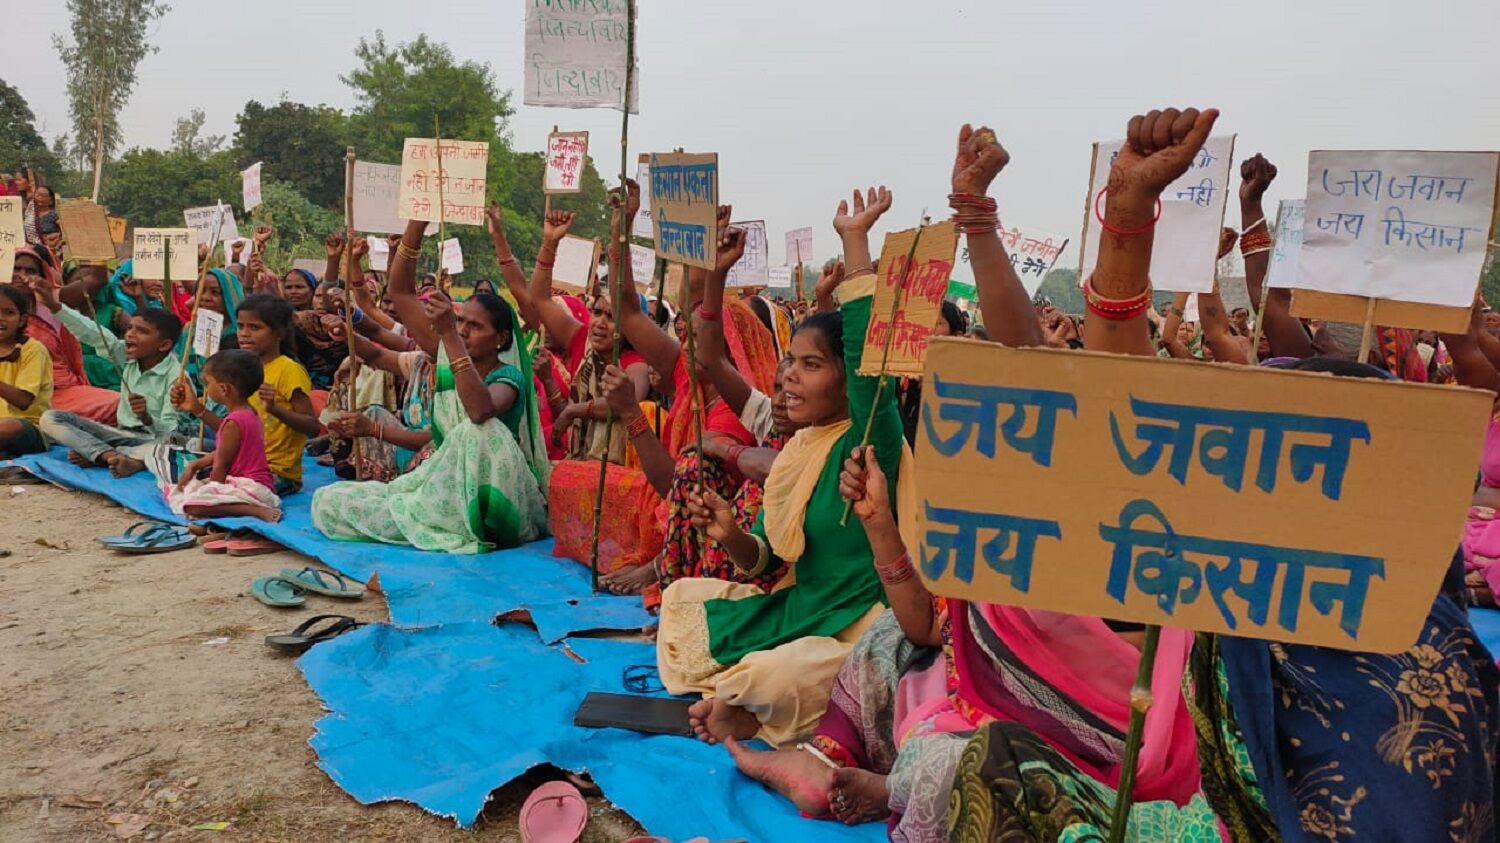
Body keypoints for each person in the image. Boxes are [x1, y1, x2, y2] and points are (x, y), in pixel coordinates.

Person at [656, 185, 911, 749]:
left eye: (811, 365)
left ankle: (752, 711)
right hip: (803, 603)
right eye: (790, 360)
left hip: (859, 622)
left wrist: (856, 241)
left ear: (848, 380)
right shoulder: (799, 448)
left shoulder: (871, 442)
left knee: (785, 674)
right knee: (682, 601)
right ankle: (752, 698)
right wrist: (729, 534)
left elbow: (875, 373)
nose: (789, 375)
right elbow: (765, 558)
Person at [310, 218, 550, 554]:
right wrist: (416, 222)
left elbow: (479, 411)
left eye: (474, 326)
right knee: (329, 501)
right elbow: (399, 297)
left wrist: (450, 334)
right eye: (460, 321)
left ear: (502, 339)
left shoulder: (507, 378)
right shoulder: (443, 359)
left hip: (497, 497)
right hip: (442, 483)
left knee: (479, 431)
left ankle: (473, 522)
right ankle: (438, 517)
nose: (464, 330)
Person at [173, 293, 318, 496]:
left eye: (255, 327)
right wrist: (196, 408)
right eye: (241, 326)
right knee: (178, 460)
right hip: (241, 462)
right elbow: (233, 429)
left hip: (273, 472)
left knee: (204, 489)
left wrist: (275, 409)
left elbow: (312, 427)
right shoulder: (244, 368)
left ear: (278, 333)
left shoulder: (288, 370)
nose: (244, 334)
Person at [36, 292, 183, 477]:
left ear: (163, 345)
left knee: (178, 445)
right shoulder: (128, 356)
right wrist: (56, 307)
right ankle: (109, 455)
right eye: (130, 328)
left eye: (142, 331)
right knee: (50, 418)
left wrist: (147, 418)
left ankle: (107, 455)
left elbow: (173, 430)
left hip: (154, 440)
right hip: (121, 435)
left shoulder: (177, 377)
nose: (130, 334)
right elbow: (94, 334)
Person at [165, 349, 280, 523]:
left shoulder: (232, 422)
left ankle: (255, 511)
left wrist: (213, 492)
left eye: (207, 383)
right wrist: (197, 464)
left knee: (192, 504)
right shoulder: (250, 412)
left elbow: (221, 465)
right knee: (191, 487)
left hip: (250, 486)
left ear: (224, 389)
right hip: (259, 484)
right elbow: (229, 451)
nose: (206, 388)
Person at [12, 246, 119, 423]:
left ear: (41, 275)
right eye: (16, 268)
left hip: (59, 391)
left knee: (121, 404)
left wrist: (93, 239)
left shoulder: (50, 300)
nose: (22, 275)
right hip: (11, 390)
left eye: (30, 270)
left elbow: (97, 279)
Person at [0, 284, 53, 457]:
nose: (1, 318)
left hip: (28, 428)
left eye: (9, 312)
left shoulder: (32, 350)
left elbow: (23, 400)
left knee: (9, 427)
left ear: (22, 320)